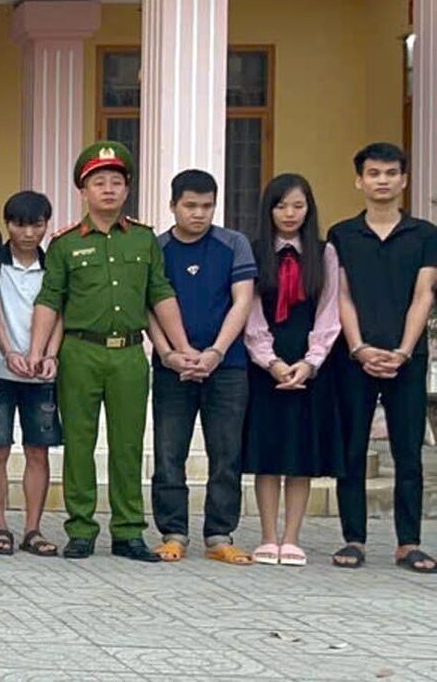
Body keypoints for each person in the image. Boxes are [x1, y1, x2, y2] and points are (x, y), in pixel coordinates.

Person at [28, 140, 195, 562]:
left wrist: (183, 347)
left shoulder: (142, 240)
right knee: (79, 444)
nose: (108, 190)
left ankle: (128, 531)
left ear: (127, 189)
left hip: (128, 355)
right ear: (83, 191)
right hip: (80, 352)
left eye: (116, 182)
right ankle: (81, 529)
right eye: (98, 182)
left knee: (128, 444)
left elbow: (160, 293)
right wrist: (37, 351)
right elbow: (51, 299)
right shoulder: (66, 243)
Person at [327, 142, 437, 573]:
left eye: (391, 173)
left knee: (408, 452)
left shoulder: (425, 235)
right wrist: (358, 348)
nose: (383, 181)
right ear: (359, 180)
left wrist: (403, 352)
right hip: (354, 359)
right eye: (374, 174)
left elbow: (423, 295)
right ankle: (353, 538)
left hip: (406, 359)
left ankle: (408, 543)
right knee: (351, 449)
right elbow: (342, 295)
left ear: (404, 180)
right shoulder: (342, 234)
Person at [148, 169, 257, 565]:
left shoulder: (234, 244)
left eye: (207, 206)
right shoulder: (156, 248)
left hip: (227, 367)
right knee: (168, 451)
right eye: (190, 206)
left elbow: (242, 302)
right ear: (173, 205)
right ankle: (173, 532)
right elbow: (149, 307)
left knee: (226, 452)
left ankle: (219, 534)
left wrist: (214, 353)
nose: (198, 213)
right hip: (171, 368)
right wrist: (167, 353)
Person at [242, 174, 343, 566]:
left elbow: (330, 308)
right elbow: (249, 310)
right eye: (281, 205)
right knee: (268, 452)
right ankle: (268, 536)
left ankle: (292, 537)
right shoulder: (252, 252)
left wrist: (310, 361)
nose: (289, 213)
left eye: (298, 206)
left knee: (300, 454)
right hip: (266, 363)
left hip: (309, 365)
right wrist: (271, 361)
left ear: (309, 209)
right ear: (269, 209)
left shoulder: (324, 253)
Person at [0, 190, 62, 557]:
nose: (29, 233)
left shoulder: (55, 265)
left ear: (47, 224)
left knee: (38, 451)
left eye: (37, 224)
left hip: (41, 373)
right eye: (20, 224)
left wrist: (49, 355)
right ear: (7, 224)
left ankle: (32, 528)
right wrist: (9, 351)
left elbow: (61, 312)